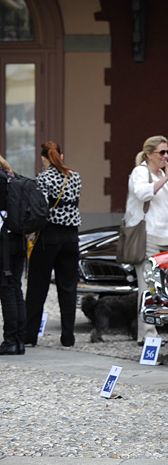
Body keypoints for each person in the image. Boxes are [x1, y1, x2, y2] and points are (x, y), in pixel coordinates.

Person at [25, 142, 82, 348]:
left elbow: (40, 209)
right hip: (71, 237)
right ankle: (68, 337)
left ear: (43, 158)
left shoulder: (43, 178)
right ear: (61, 155)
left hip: (49, 236)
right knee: (68, 288)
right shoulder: (74, 176)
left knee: (37, 287)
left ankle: (30, 335)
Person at [127, 136, 168, 344]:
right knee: (147, 286)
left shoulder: (160, 176)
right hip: (148, 237)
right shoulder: (141, 172)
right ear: (148, 154)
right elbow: (142, 194)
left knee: (160, 288)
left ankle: (152, 331)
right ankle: (147, 334)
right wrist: (165, 178)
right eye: (161, 153)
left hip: (165, 238)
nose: (165, 157)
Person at [0, 156, 26, 355]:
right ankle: (19, 340)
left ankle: (10, 340)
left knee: (7, 289)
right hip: (18, 238)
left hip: (4, 241)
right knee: (16, 288)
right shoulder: (11, 176)